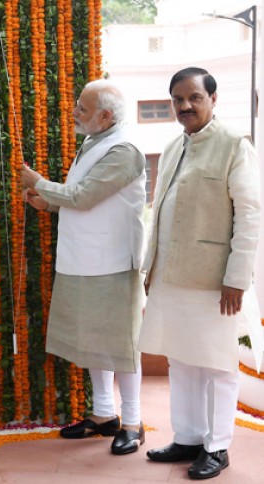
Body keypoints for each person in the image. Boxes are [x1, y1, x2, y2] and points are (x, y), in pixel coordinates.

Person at [140, 67, 260, 480]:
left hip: (215, 281)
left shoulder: (234, 144)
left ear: (213, 99)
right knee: (181, 359)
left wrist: (236, 278)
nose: (185, 105)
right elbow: (159, 210)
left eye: (194, 97)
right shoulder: (173, 146)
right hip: (171, 275)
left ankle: (217, 446)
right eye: (178, 99)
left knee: (216, 364)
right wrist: (151, 267)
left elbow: (250, 215)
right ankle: (189, 437)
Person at [20, 79, 147, 455]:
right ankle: (105, 415)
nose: (75, 112)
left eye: (83, 109)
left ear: (105, 116)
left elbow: (84, 196)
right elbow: (82, 198)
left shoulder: (125, 149)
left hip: (112, 261)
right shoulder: (96, 141)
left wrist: (41, 183)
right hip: (83, 257)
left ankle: (133, 422)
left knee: (121, 345)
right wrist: (47, 203)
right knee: (94, 341)